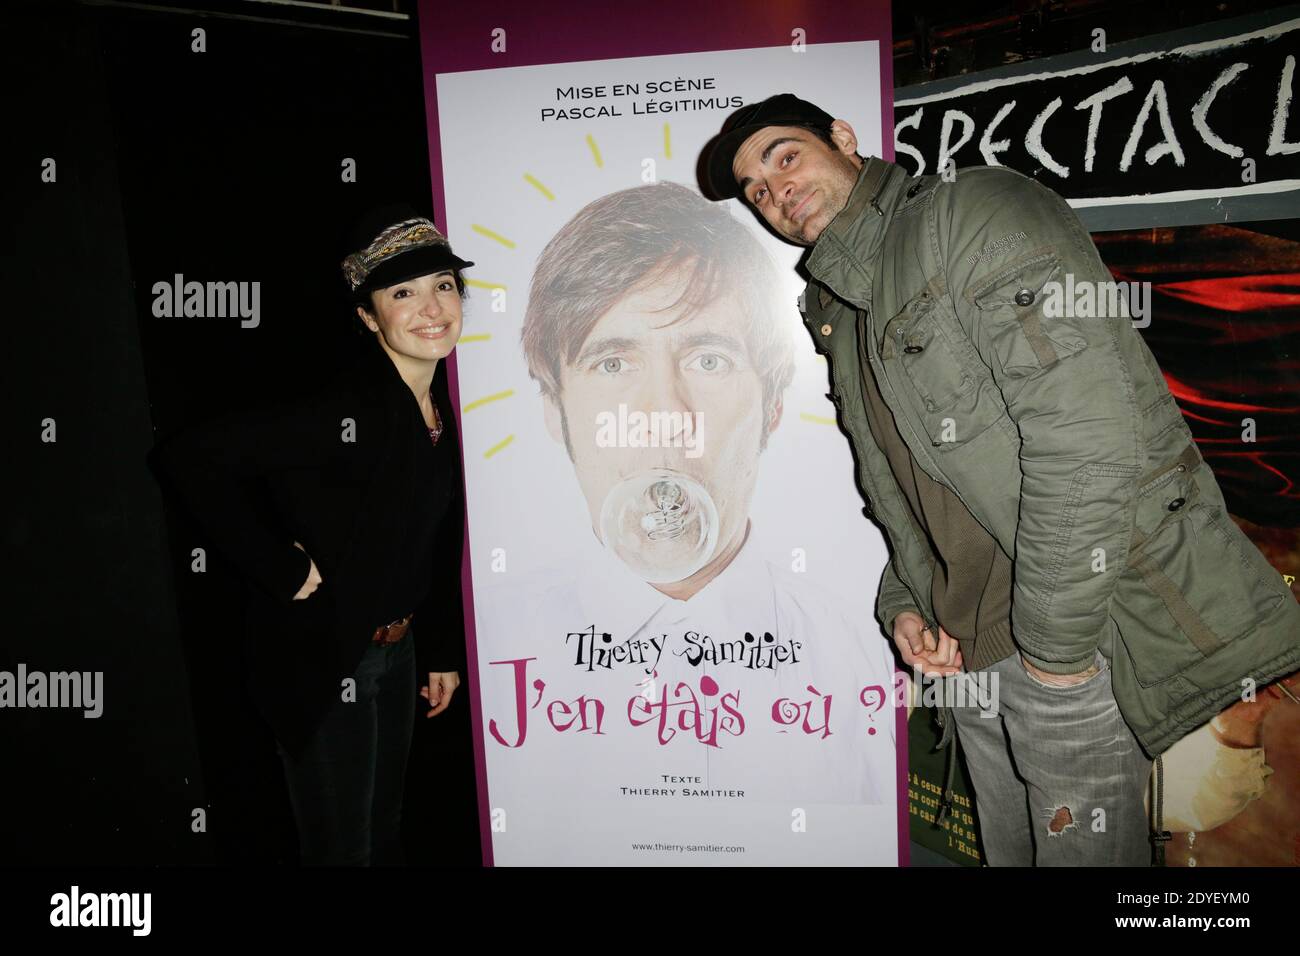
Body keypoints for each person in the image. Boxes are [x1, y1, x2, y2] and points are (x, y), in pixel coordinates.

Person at [704, 93, 1300, 866]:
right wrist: (909, 600)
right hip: (965, 646)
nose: (774, 191)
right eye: (756, 189)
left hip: (1065, 638)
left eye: (784, 157)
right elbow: (905, 477)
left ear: (844, 139)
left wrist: (1055, 651)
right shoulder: (838, 303)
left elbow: (1088, 437)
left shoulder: (974, 212)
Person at [473, 182, 898, 863]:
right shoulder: (485, 647)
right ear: (555, 409)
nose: (662, 414)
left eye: (708, 360)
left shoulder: (862, 657)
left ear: (772, 407)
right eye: (613, 363)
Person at [150, 205, 471, 865]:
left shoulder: (437, 405)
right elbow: (189, 458)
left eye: (443, 284)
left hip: (398, 650)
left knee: (383, 834)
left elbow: (432, 542)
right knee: (340, 852)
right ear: (367, 315)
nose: (431, 306)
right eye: (402, 293)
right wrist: (280, 567)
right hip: (327, 659)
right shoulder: (345, 407)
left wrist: (437, 648)